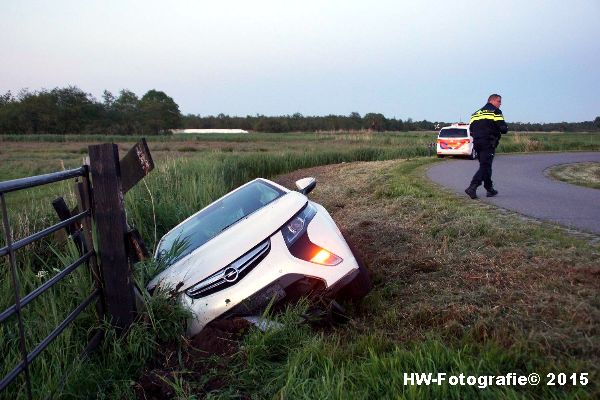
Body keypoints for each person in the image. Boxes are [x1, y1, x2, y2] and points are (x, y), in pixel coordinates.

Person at [465, 94, 508, 199]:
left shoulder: (475, 113)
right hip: (488, 142)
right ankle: (472, 186)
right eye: (499, 101)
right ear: (492, 101)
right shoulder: (495, 111)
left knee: (485, 166)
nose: (500, 104)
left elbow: (470, 129)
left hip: (476, 142)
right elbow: (503, 128)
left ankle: (489, 189)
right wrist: (505, 127)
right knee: (485, 166)